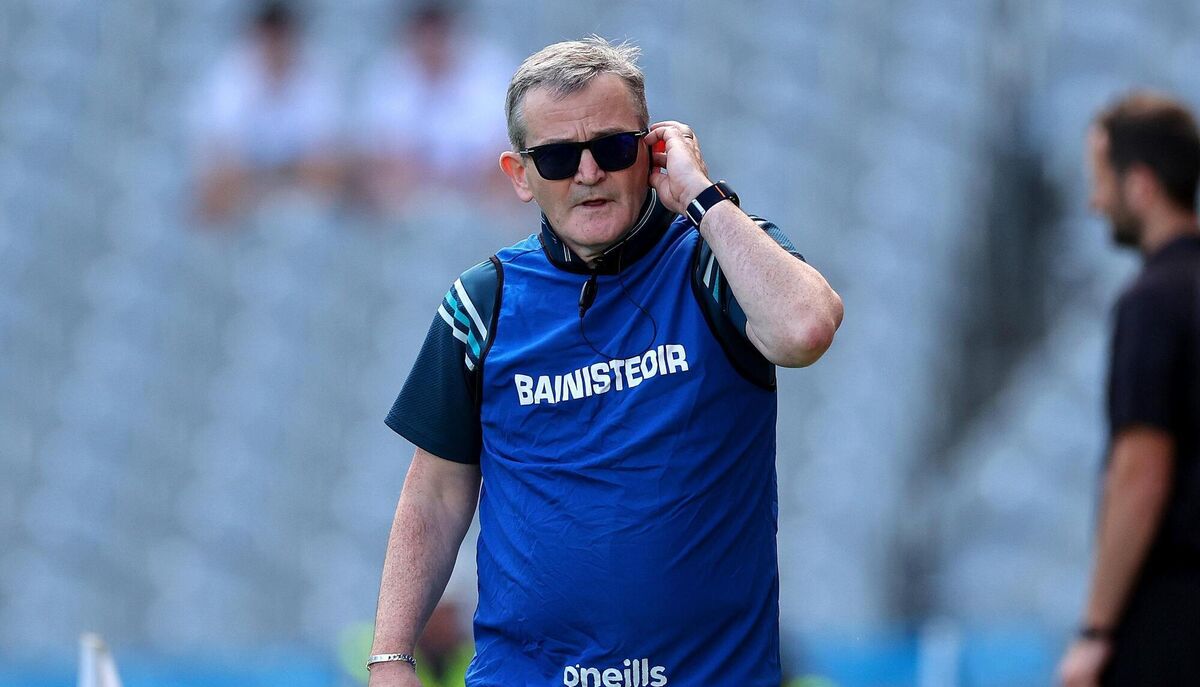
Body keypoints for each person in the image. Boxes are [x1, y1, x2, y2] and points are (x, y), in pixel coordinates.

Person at [369, 37, 843, 686]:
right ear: (518, 175)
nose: (588, 172)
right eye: (559, 157)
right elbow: (436, 489)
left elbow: (806, 326)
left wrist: (701, 196)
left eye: (613, 148)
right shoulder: (484, 301)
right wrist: (391, 655)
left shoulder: (714, 258)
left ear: (653, 153)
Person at [1058, 92, 1200, 687]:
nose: (1095, 203)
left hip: (1171, 624)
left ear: (1140, 185)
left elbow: (1140, 469)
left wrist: (1094, 633)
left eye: (1101, 182)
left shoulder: (1152, 302)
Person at [351, 3, 513, 215]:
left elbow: (501, 146)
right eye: (424, 36)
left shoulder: (492, 70)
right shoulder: (387, 73)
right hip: (413, 190)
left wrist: (458, 176)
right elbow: (385, 151)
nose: (431, 45)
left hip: (478, 187)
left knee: (510, 174)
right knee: (384, 181)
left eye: (438, 35)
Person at [189, 1, 340, 222]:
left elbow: (324, 154)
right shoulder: (230, 75)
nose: (274, 50)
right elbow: (222, 153)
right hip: (251, 178)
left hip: (290, 177)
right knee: (212, 186)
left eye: (280, 41)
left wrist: (273, 178)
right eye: (269, 41)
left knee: (332, 175)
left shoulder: (318, 72)